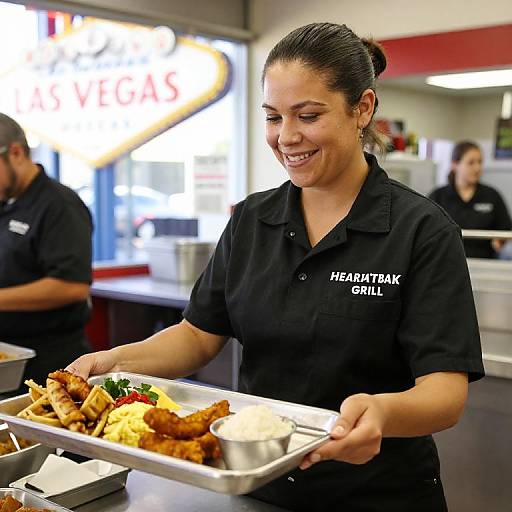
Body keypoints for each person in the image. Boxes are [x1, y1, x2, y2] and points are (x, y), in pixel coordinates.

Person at [67, 23, 484, 511]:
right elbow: (198, 335)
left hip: (377, 493)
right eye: (272, 117)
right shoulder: (251, 220)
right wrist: (116, 361)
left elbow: (445, 392)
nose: (286, 137)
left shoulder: (421, 230)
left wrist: (383, 411)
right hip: (257, 486)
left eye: (307, 115)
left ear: (363, 109)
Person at [0, 113, 93, 394]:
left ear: (15, 153)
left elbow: (72, 286)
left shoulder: (59, 205)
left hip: (48, 364)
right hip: (9, 358)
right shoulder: (6, 201)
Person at [429, 141, 512, 259]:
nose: (477, 168)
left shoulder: (492, 195)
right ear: (455, 165)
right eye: (471, 163)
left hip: (484, 261)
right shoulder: (438, 196)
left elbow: (505, 229)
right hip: (447, 262)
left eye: (480, 162)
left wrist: (500, 241)